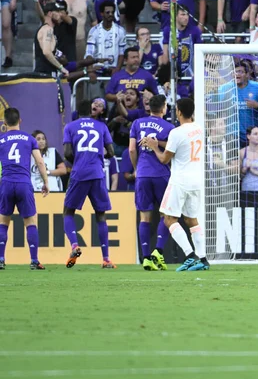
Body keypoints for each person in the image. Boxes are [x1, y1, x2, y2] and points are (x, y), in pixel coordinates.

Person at [142, 98, 210, 272]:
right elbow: (181, 145)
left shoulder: (177, 133)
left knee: (168, 218)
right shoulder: (199, 129)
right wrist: (161, 144)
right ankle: (203, 259)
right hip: (196, 180)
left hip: (180, 180)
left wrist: (154, 147)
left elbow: (165, 158)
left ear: (178, 111)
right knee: (191, 219)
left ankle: (190, 256)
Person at [63, 100, 116, 269]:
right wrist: (100, 157)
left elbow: (67, 153)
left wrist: (78, 160)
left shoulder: (70, 127)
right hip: (97, 173)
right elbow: (112, 152)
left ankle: (74, 245)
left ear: (78, 111)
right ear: (91, 112)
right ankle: (106, 259)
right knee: (100, 215)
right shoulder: (101, 126)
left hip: (79, 172)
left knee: (68, 212)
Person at [129, 95, 175, 271]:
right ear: (163, 108)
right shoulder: (170, 128)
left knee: (144, 217)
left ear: (149, 107)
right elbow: (172, 149)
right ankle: (159, 252)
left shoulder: (137, 123)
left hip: (142, 174)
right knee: (166, 215)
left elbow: (132, 149)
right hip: (162, 174)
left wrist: (136, 169)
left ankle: (146, 258)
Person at [0, 108, 50, 270]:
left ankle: (1, 259)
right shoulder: (29, 139)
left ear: (5, 122)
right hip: (23, 182)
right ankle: (34, 260)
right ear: (20, 120)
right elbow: (39, 162)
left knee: (3, 223)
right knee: (30, 222)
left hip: (6, 182)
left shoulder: (1, 139)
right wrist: (46, 182)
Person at [35, 0, 70, 77]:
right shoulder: (48, 29)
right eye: (57, 12)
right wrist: (61, 68)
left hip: (47, 73)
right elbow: (47, 52)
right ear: (50, 14)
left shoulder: (48, 29)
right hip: (44, 74)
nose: (60, 15)